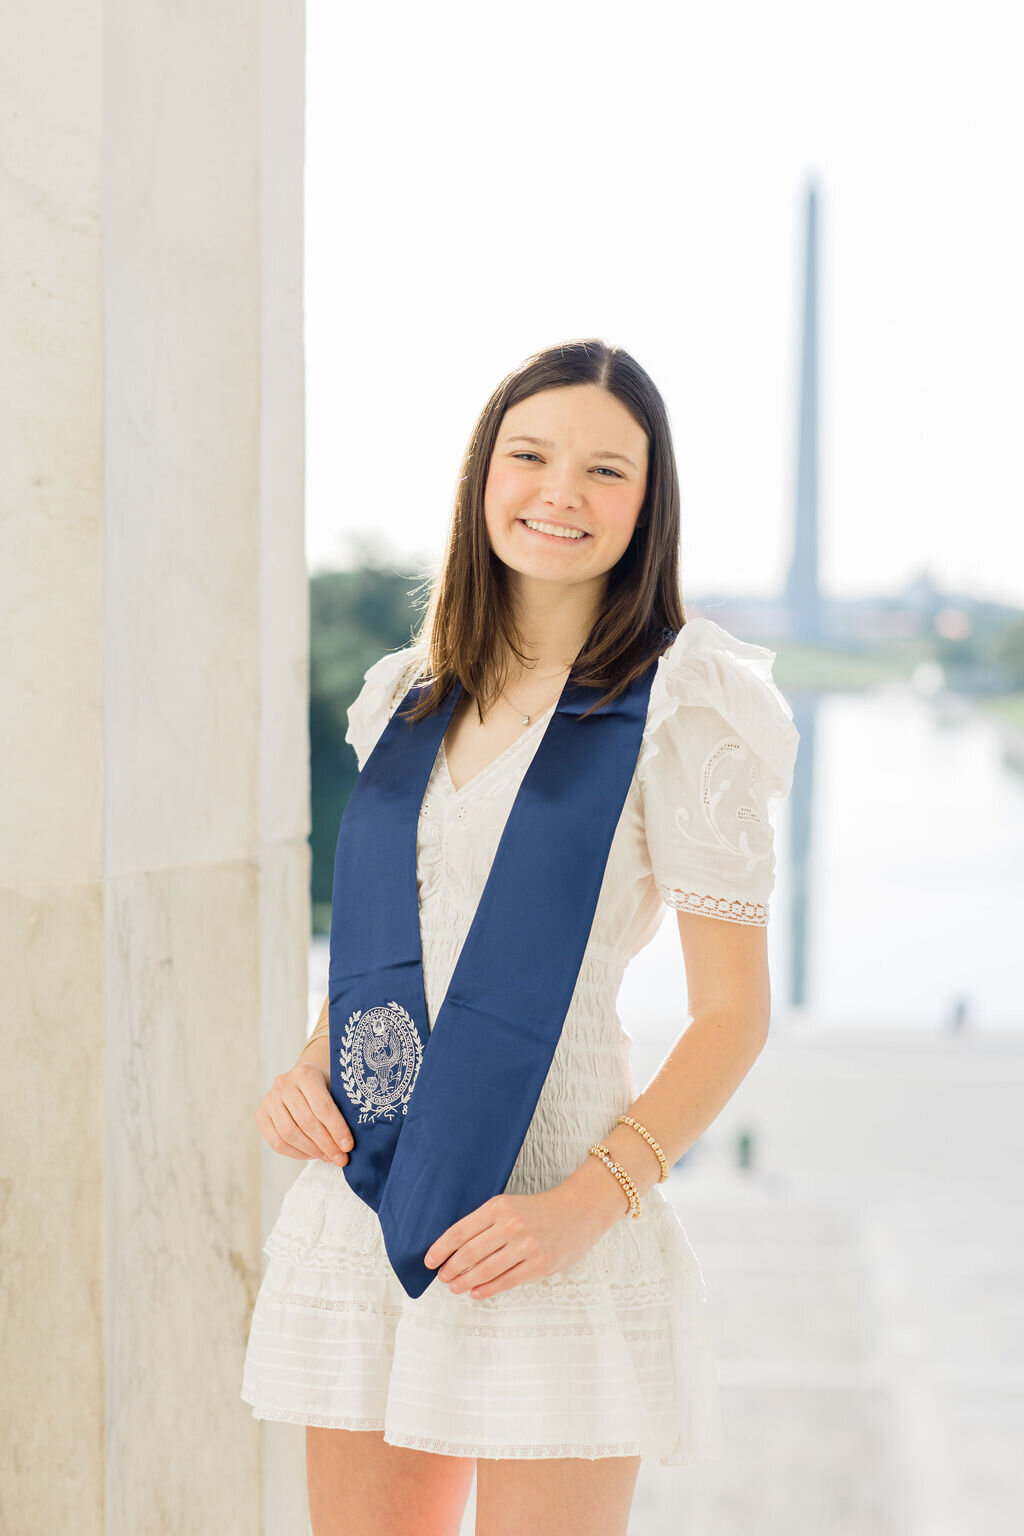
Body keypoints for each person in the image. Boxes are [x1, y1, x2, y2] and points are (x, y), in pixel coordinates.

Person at [241, 337, 800, 1536]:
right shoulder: (406, 691)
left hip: (544, 1204)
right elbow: (400, 940)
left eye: (606, 471)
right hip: (367, 1188)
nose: (559, 493)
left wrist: (584, 1207)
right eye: (530, 455)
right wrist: (309, 1060)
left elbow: (733, 1014)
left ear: (649, 506)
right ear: (481, 476)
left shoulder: (686, 706)